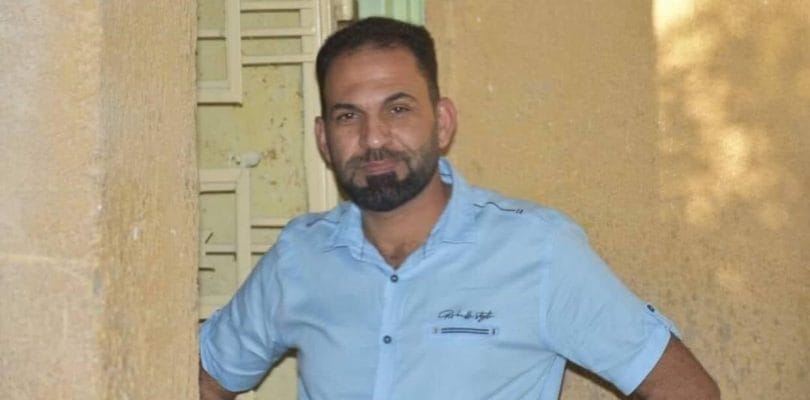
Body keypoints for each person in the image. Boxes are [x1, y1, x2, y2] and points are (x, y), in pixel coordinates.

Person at [199, 17, 719, 400]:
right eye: (348, 116)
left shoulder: (537, 251)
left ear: (442, 122)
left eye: (398, 109)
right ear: (323, 139)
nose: (373, 138)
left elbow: (685, 389)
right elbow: (208, 380)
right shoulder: (299, 257)